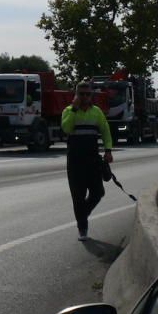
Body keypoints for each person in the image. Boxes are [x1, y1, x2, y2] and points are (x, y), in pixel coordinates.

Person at [61, 81, 113, 240]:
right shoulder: (68, 111)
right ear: (75, 94)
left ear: (91, 95)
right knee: (78, 196)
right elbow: (66, 128)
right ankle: (82, 229)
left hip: (92, 159)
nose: (84, 97)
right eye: (81, 94)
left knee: (98, 192)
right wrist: (74, 109)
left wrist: (108, 150)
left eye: (87, 94)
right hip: (75, 161)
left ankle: (82, 214)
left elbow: (105, 131)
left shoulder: (96, 112)